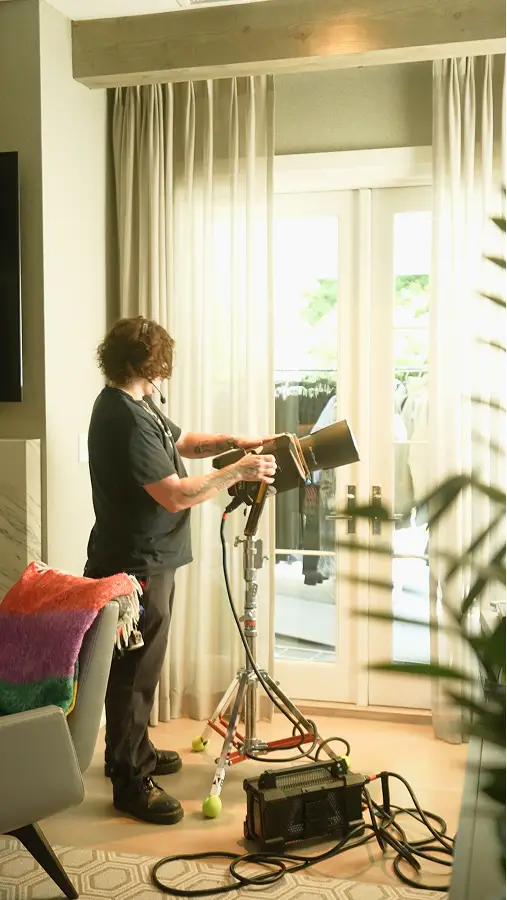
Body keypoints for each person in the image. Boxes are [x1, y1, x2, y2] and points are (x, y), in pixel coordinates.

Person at [84, 315, 277, 825]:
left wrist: (238, 441)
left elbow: (185, 441)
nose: (164, 374)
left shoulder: (136, 402)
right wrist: (237, 470)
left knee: (142, 667)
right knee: (133, 672)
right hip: (135, 564)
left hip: (149, 557)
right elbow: (173, 495)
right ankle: (129, 782)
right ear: (148, 363)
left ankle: (136, 754)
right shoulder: (123, 416)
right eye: (160, 364)